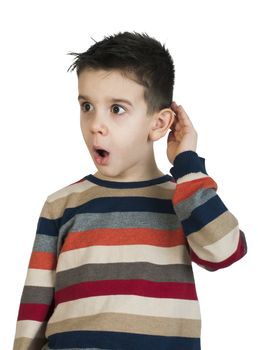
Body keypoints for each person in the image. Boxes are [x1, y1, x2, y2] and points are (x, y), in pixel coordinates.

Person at [13, 31, 247, 350]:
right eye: (87, 106)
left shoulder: (183, 199)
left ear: (158, 123)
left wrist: (188, 163)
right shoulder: (61, 204)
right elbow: (35, 304)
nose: (96, 123)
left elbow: (224, 250)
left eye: (117, 109)